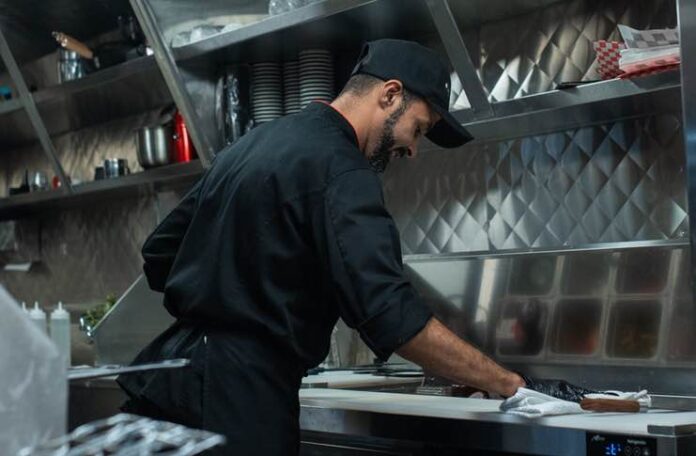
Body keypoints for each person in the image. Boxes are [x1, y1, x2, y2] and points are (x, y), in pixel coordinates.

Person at [118, 39, 527, 454]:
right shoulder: (343, 170)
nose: (413, 149)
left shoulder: (251, 144)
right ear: (390, 94)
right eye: (418, 128)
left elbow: (159, 255)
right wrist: (506, 382)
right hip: (239, 399)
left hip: (169, 382)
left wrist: (232, 292)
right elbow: (389, 315)